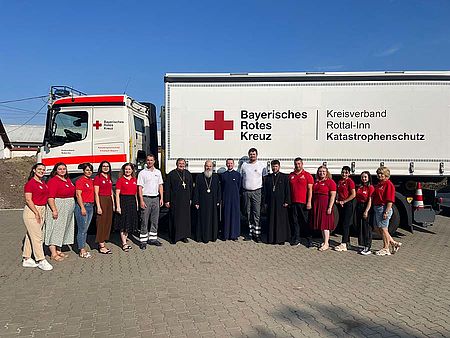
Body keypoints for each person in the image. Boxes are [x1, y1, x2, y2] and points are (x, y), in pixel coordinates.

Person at [22, 163, 53, 271]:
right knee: (37, 237)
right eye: (39, 169)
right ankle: (41, 259)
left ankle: (26, 258)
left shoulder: (43, 183)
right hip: (32, 210)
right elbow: (28, 200)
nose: (41, 171)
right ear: (34, 170)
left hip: (42, 209)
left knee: (30, 235)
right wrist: (36, 212)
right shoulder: (30, 184)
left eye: (43, 169)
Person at [45, 162, 76, 261]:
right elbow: (50, 197)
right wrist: (54, 210)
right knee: (55, 229)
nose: (62, 170)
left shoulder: (67, 180)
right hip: (58, 206)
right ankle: (53, 253)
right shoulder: (53, 181)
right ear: (56, 170)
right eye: (60, 169)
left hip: (68, 208)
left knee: (63, 228)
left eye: (64, 169)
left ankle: (59, 250)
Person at [240, 148, 267, 242]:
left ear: (257, 155)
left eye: (254, 154)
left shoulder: (261, 165)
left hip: (257, 192)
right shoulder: (244, 165)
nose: (252, 156)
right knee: (247, 213)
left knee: (256, 213)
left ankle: (257, 234)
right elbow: (241, 178)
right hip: (246, 192)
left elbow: (264, 179)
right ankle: (250, 233)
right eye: (251, 154)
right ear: (248, 155)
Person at [373, 166, 402, 256]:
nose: (380, 175)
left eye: (382, 173)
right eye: (378, 173)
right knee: (378, 229)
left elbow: (390, 200)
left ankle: (386, 248)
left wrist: (386, 211)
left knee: (384, 229)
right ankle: (393, 243)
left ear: (386, 175)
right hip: (377, 208)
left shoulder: (389, 185)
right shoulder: (380, 184)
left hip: (383, 208)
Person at [137, 154, 164, 250]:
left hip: (156, 198)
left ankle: (153, 238)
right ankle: (143, 240)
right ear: (146, 161)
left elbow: (160, 185)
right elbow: (140, 187)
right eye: (148, 160)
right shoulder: (142, 173)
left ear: (154, 161)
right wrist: (141, 200)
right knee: (144, 220)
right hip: (146, 198)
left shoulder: (158, 172)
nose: (149, 162)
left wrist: (161, 198)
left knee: (155, 220)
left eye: (151, 160)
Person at [164, 158, 193, 244]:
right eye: (180, 163)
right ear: (176, 164)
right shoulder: (171, 174)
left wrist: (191, 198)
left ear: (185, 164)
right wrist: (167, 200)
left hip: (185, 200)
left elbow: (191, 187)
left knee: (185, 219)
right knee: (175, 218)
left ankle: (184, 236)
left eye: (183, 163)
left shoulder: (188, 174)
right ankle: (174, 237)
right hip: (175, 201)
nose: (181, 165)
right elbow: (167, 188)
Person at [264, 160, 291, 245]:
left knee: (280, 221)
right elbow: (265, 191)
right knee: (271, 220)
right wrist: (265, 202)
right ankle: (271, 239)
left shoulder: (284, 177)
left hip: (281, 202)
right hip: (271, 202)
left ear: (279, 167)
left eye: (276, 166)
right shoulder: (268, 178)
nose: (274, 168)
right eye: (273, 166)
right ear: (271, 167)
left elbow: (287, 190)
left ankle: (281, 239)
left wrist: (287, 201)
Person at [193, 160, 221, 243]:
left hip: (212, 202)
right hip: (202, 202)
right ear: (204, 166)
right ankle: (201, 237)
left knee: (212, 219)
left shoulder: (215, 177)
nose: (208, 168)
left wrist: (218, 200)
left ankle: (212, 236)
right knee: (202, 220)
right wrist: (196, 202)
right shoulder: (199, 176)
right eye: (207, 166)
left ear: (212, 167)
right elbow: (196, 190)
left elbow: (219, 190)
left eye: (210, 166)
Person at [288, 157, 314, 247]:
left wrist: (309, 202)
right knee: (295, 221)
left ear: (302, 164)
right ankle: (297, 238)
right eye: (296, 164)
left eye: (299, 163)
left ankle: (309, 239)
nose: (297, 165)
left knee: (305, 222)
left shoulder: (307, 175)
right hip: (293, 202)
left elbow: (310, 190)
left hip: (304, 203)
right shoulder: (291, 175)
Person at [310, 166, 337, 251]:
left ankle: (326, 243)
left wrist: (330, 207)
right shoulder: (317, 182)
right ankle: (324, 241)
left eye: (323, 172)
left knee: (325, 225)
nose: (322, 173)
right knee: (321, 225)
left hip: (325, 205)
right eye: (320, 171)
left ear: (327, 173)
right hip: (317, 204)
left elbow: (333, 196)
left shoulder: (330, 182)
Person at [115, 163, 138, 252]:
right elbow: (117, 194)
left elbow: (135, 193)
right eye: (126, 169)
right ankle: (124, 243)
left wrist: (136, 203)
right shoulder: (120, 180)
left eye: (129, 169)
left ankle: (125, 240)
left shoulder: (134, 180)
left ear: (132, 170)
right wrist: (118, 206)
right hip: (123, 201)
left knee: (129, 223)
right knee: (123, 223)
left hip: (132, 202)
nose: (127, 171)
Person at [74, 163, 95, 258]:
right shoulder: (80, 181)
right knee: (82, 229)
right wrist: (82, 207)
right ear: (83, 171)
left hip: (90, 206)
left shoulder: (91, 181)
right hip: (83, 206)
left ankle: (83, 247)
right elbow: (78, 195)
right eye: (87, 170)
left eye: (90, 170)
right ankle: (81, 250)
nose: (89, 172)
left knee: (85, 229)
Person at [94, 161, 114, 254]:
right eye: (104, 166)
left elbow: (111, 191)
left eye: (107, 166)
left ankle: (103, 240)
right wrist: (98, 206)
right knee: (101, 222)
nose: (105, 168)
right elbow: (96, 193)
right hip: (101, 200)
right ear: (100, 167)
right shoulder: (98, 178)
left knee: (107, 222)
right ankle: (101, 245)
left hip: (109, 200)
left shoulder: (109, 177)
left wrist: (113, 204)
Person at [334, 166, 356, 252]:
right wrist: (338, 201)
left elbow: (353, 194)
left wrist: (345, 201)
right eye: (343, 172)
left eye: (346, 173)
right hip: (341, 205)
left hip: (348, 204)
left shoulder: (350, 181)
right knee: (343, 223)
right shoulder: (340, 182)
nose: (344, 174)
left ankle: (343, 244)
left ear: (349, 174)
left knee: (346, 224)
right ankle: (347, 242)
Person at [220, 159, 241, 241]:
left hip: (235, 198)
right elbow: (221, 187)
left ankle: (234, 235)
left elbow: (239, 186)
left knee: (234, 216)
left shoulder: (237, 175)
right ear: (226, 164)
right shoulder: (223, 175)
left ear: (233, 164)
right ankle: (225, 234)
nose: (229, 165)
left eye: (231, 163)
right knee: (226, 215)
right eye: (228, 163)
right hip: (226, 198)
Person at [356, 171, 374, 255]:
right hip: (359, 206)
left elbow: (370, 200)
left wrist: (366, 211)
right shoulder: (360, 187)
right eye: (362, 177)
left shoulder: (370, 188)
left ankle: (368, 246)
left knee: (367, 227)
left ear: (368, 178)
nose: (364, 178)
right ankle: (363, 245)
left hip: (366, 207)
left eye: (365, 177)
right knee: (361, 227)